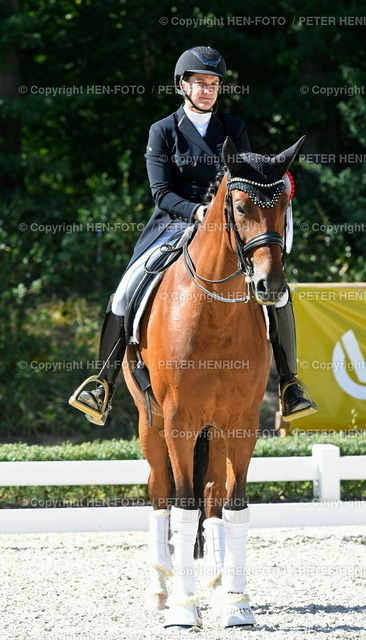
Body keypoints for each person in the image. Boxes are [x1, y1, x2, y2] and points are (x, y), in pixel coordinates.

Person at [69, 45, 317, 425]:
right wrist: (198, 212)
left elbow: (246, 184)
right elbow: (161, 193)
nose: (208, 90)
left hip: (229, 230)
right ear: (182, 86)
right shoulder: (163, 131)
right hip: (173, 223)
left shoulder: (234, 129)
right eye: (200, 83)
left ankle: (288, 383)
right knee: (124, 291)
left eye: (214, 84)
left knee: (277, 290)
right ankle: (102, 382)